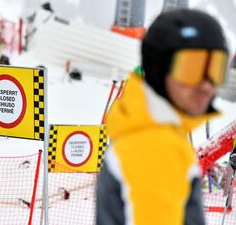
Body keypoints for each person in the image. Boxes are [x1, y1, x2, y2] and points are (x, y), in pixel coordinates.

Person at [96, 9, 229, 225]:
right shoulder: (153, 147)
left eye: (214, 68)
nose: (205, 85)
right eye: (192, 67)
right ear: (159, 67)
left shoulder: (152, 133)